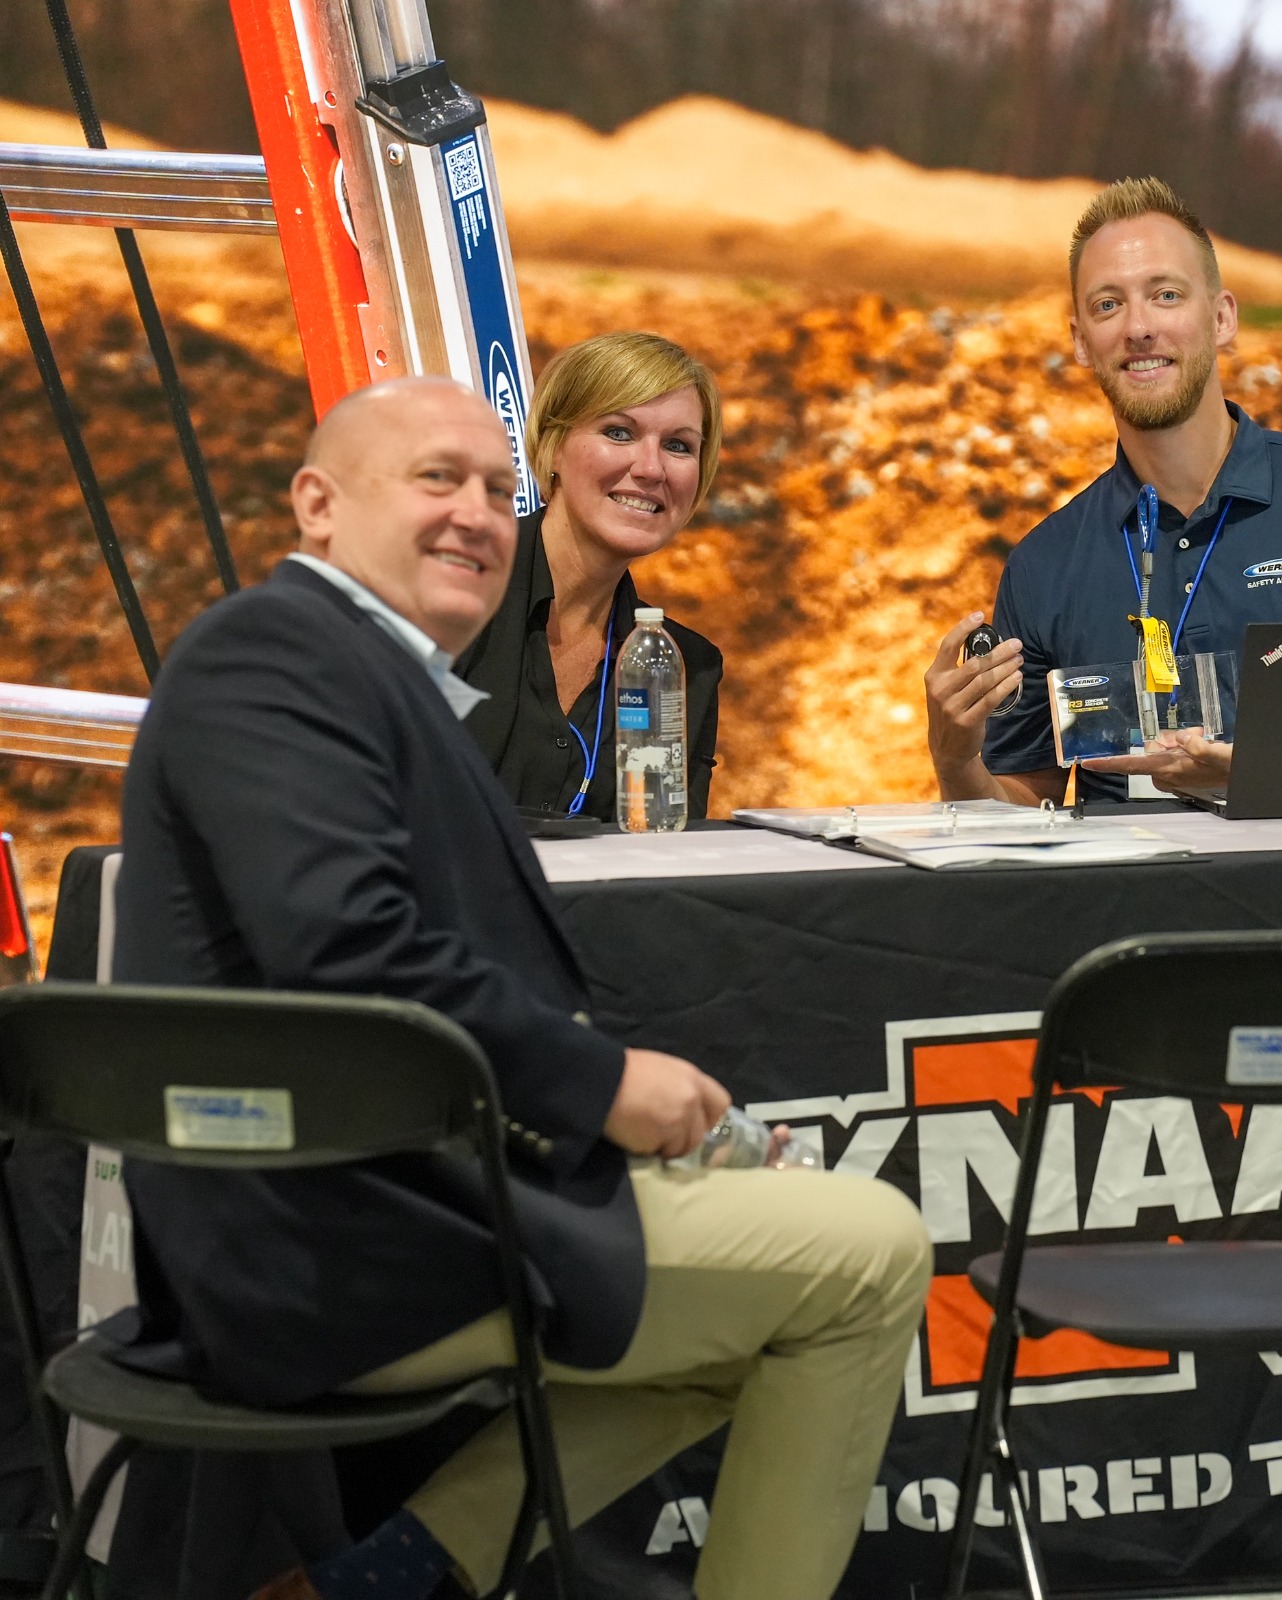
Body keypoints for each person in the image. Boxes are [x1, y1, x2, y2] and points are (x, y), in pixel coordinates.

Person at [112, 377, 931, 1600]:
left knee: (789, 1284)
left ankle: (382, 1581)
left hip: (397, 1191)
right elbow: (347, 952)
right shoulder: (270, 648)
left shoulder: (384, 681)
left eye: (497, 490)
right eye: (437, 479)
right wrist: (603, 1088)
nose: (480, 516)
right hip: (328, 1238)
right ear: (317, 506)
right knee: (872, 1254)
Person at [923, 176, 1282, 805]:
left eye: (1166, 294)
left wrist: (1264, 777)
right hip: (1125, 903)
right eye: (1107, 305)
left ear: (1222, 317)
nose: (1139, 327)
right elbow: (1023, 807)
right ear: (1079, 341)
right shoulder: (1044, 567)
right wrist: (955, 759)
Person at [456, 331, 726, 822]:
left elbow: (666, 861)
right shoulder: (448, 594)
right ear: (552, 446)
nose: (650, 468)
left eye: (678, 446)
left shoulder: (690, 667)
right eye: (618, 433)